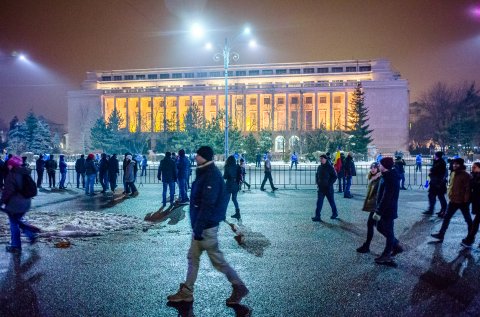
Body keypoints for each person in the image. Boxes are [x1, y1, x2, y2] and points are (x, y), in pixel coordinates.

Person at [167, 146, 249, 305]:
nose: (196, 157)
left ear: (204, 157)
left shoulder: (210, 175)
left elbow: (207, 204)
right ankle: (187, 291)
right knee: (193, 258)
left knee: (217, 261)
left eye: (198, 155)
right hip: (202, 226)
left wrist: (199, 228)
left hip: (206, 228)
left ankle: (238, 286)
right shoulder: (204, 171)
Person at [0, 155, 41, 253]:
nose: (8, 166)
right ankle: (31, 235)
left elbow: (8, 191)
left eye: (9, 164)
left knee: (14, 224)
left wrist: (1, 202)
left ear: (12, 165)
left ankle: (16, 246)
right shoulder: (25, 173)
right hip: (26, 202)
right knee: (18, 221)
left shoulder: (12, 174)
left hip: (15, 204)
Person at [431, 158, 472, 242]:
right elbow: (451, 185)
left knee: (468, 219)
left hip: (462, 202)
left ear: (461, 165)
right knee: (446, 218)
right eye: (453, 164)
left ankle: (471, 237)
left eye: (457, 164)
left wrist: (466, 200)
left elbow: (468, 189)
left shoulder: (465, 175)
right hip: (453, 200)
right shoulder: (453, 173)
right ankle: (441, 234)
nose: (454, 165)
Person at [373, 157, 403, 265]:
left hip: (388, 209)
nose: (379, 166)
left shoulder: (389, 178)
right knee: (380, 227)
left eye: (380, 165)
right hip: (386, 208)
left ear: (384, 166)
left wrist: (379, 211)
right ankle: (395, 245)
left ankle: (387, 255)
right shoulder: (387, 175)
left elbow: (387, 197)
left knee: (389, 232)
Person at [356, 162, 382, 253]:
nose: (373, 169)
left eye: (375, 168)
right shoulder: (373, 178)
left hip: (377, 207)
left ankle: (367, 246)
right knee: (380, 227)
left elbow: (379, 194)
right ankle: (395, 244)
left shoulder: (379, 179)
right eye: (371, 168)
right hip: (375, 206)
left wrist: (375, 205)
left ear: (378, 169)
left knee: (376, 226)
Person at [312, 154, 338, 221]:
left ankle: (335, 213)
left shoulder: (330, 167)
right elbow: (317, 175)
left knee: (331, 202)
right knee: (319, 202)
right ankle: (317, 216)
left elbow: (335, 176)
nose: (321, 160)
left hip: (328, 188)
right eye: (320, 158)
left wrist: (329, 184)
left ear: (326, 159)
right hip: (321, 188)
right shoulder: (319, 167)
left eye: (322, 158)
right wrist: (317, 182)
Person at [461, 162, 480, 248]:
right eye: (472, 167)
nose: (472, 169)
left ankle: (470, 240)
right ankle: (469, 240)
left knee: (475, 223)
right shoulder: (474, 176)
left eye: (474, 167)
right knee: (475, 223)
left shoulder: (476, 177)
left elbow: (476, 187)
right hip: (477, 203)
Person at [423, 151, 447, 216]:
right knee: (432, 196)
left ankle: (443, 210)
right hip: (434, 182)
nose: (434, 156)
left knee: (440, 196)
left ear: (437, 155)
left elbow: (439, 172)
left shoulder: (441, 163)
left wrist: (432, 171)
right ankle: (431, 209)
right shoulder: (437, 162)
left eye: (435, 155)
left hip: (438, 183)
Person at [224, 155, 242, 219]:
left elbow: (225, 176)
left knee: (226, 200)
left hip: (229, 185)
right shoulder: (237, 166)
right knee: (234, 199)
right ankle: (238, 213)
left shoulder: (227, 166)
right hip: (236, 185)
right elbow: (240, 175)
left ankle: (223, 214)